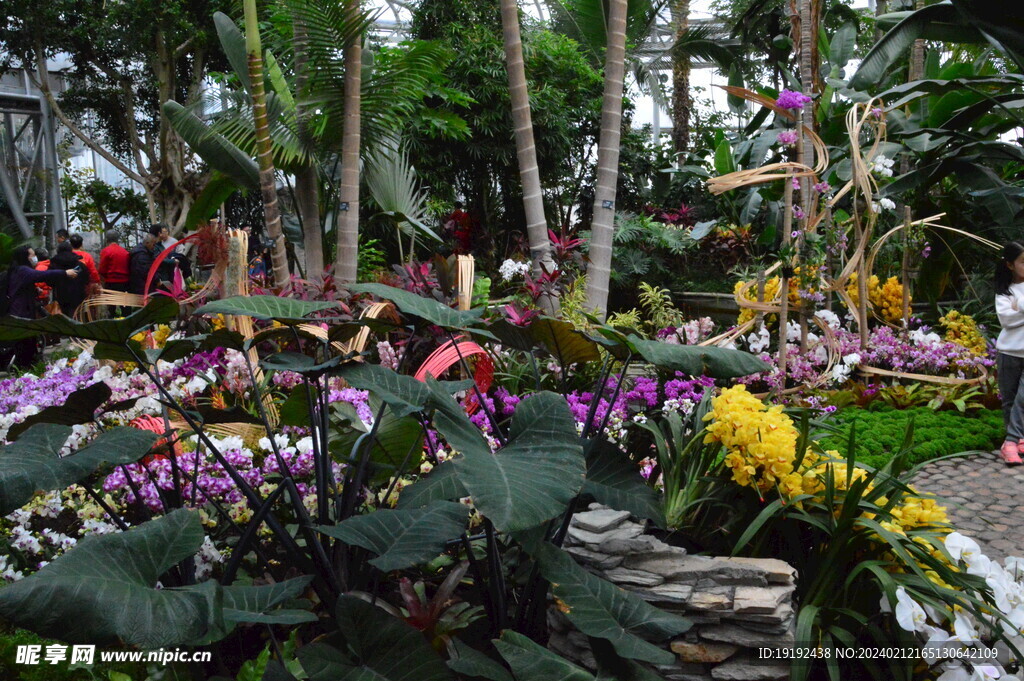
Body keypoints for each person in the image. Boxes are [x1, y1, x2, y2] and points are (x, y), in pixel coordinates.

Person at [1, 246, 77, 368]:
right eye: (31, 255)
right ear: (24, 257)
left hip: (19, 311)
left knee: (26, 341)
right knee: (25, 343)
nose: (34, 257)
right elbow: (42, 275)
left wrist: (35, 290)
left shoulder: (16, 270)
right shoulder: (23, 270)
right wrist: (65, 273)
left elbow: (20, 288)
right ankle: (25, 368)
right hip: (21, 313)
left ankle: (26, 367)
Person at [995, 241, 1024, 465]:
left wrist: (1019, 306)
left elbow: (1015, 316)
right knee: (1010, 399)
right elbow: (1006, 320)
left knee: (1023, 399)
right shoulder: (1004, 291)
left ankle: (1012, 440)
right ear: (1010, 264)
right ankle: (1016, 439)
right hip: (1008, 352)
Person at [48, 242, 90, 315]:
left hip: (60, 298)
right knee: (77, 319)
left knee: (62, 320)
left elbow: (49, 281)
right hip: (78, 298)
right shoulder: (80, 265)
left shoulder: (53, 265)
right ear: (71, 250)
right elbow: (86, 280)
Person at [99, 230, 130, 294]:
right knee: (122, 303)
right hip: (124, 283)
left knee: (111, 302)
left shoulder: (105, 251)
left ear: (107, 240)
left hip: (111, 283)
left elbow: (102, 269)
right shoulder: (125, 252)